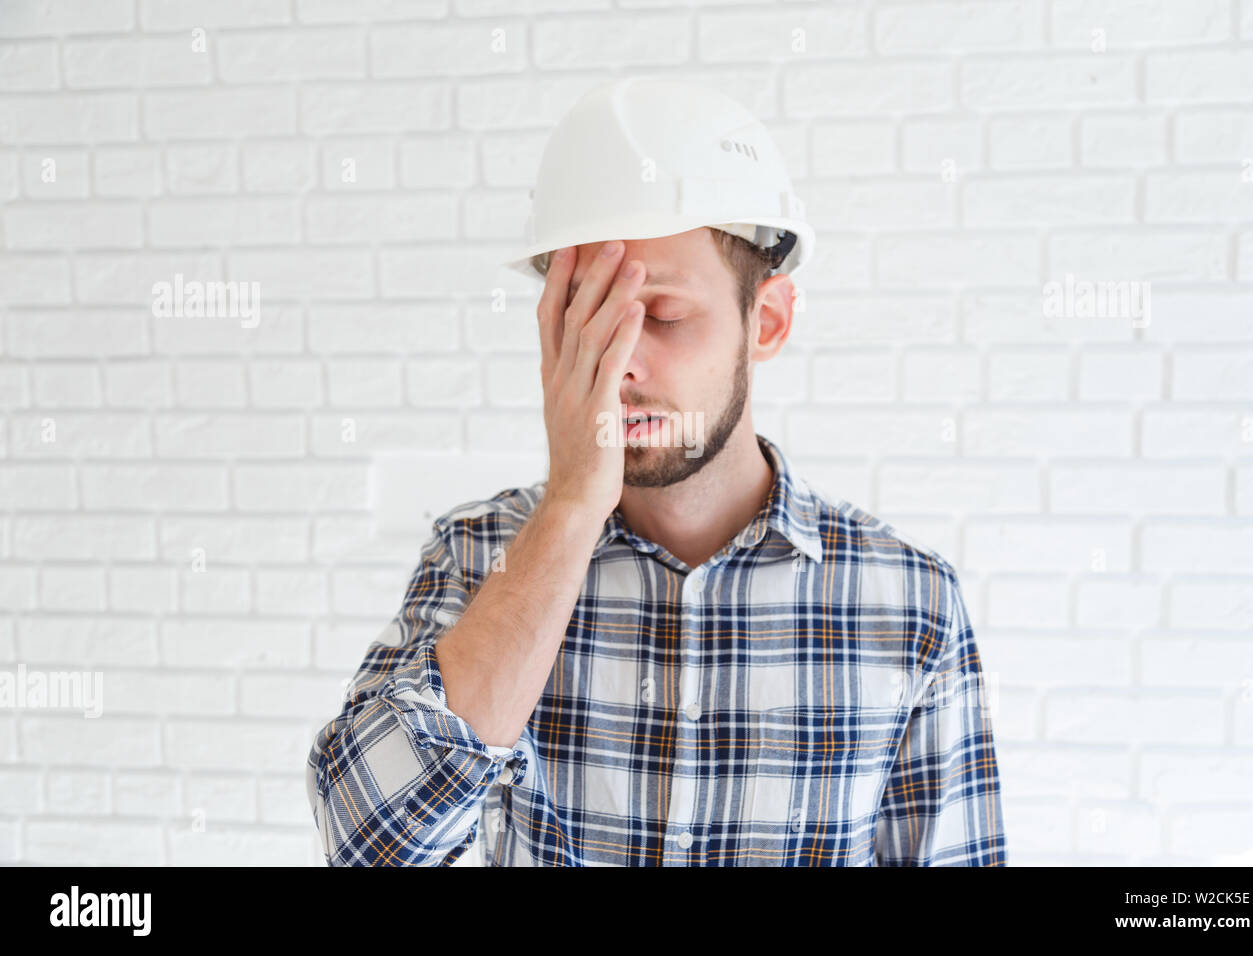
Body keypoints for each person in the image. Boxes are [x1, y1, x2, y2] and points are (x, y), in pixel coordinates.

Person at [305, 76, 1007, 866]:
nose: (619, 363)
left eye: (662, 318)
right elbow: (368, 845)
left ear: (766, 321)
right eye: (588, 319)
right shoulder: (480, 554)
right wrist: (571, 506)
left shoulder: (908, 602)